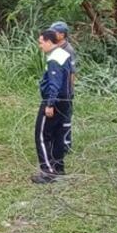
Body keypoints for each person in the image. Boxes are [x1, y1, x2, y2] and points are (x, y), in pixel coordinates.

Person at [32, 29, 73, 184]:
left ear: (49, 42)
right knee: (58, 136)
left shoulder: (54, 59)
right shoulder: (65, 55)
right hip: (65, 101)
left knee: (42, 136)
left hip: (54, 102)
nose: (40, 46)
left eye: (41, 43)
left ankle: (47, 171)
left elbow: (54, 84)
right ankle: (59, 169)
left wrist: (50, 104)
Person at [50, 21, 76, 153]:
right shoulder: (55, 47)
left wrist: (69, 90)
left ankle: (66, 145)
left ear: (62, 34)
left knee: (65, 118)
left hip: (65, 91)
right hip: (56, 90)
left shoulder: (68, 50)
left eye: (54, 32)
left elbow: (72, 72)